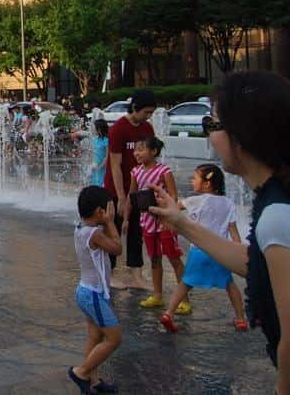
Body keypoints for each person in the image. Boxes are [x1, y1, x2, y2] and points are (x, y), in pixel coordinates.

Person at [149, 71, 290, 386]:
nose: (209, 137)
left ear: (241, 136)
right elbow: (259, 264)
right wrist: (181, 222)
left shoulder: (278, 213)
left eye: (212, 125)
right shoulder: (276, 199)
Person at [159, 164, 246, 333]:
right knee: (230, 285)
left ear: (206, 184)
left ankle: (168, 314)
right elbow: (234, 232)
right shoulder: (228, 204)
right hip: (219, 252)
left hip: (199, 251)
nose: (192, 181)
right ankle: (241, 318)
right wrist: (238, 253)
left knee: (185, 283)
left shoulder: (195, 200)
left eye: (195, 178)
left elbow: (174, 209)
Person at [69, 185, 123, 395]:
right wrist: (110, 222)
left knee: (94, 336)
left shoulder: (82, 229)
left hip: (86, 291)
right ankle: (81, 373)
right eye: (107, 209)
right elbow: (118, 249)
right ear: (100, 212)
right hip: (93, 294)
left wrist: (105, 221)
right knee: (114, 338)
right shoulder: (95, 234)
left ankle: (93, 381)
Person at [106, 89, 156, 291]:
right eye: (146, 112)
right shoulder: (119, 129)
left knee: (137, 231)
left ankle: (137, 275)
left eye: (151, 113)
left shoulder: (148, 128)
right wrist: (120, 197)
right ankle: (108, 274)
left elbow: (151, 160)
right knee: (113, 230)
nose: (148, 116)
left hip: (139, 190)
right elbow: (115, 165)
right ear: (135, 108)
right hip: (116, 189)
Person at [131, 137, 185, 311]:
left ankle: (184, 299)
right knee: (154, 259)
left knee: (174, 258)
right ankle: (157, 295)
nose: (136, 153)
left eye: (141, 149)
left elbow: (173, 196)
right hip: (147, 222)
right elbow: (133, 194)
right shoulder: (135, 172)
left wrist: (168, 215)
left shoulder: (164, 171)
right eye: (135, 150)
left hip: (165, 222)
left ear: (154, 152)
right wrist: (126, 217)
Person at [89, 119, 109, 187]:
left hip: (103, 168)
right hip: (95, 167)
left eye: (94, 128)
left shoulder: (106, 140)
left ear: (99, 129)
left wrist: (101, 166)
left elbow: (107, 156)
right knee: (94, 185)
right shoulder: (95, 139)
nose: (93, 129)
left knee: (101, 185)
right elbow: (93, 153)